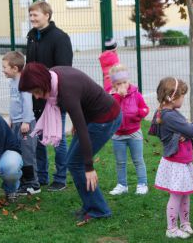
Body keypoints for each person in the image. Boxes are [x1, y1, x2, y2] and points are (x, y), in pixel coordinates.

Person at [19, 63, 121, 223]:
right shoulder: (53, 76)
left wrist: (89, 167)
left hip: (105, 119)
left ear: (44, 83)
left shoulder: (66, 91)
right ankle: (90, 206)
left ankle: (99, 210)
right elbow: (81, 103)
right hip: (93, 117)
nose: (37, 97)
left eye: (37, 92)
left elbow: (83, 131)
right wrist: (77, 121)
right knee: (73, 162)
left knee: (77, 163)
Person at [25, 0, 73, 192]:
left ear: (47, 15)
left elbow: (63, 69)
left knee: (57, 137)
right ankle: (42, 176)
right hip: (35, 95)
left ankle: (60, 178)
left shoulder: (60, 38)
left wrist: (52, 93)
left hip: (53, 97)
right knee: (38, 135)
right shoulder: (31, 36)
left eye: (35, 15)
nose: (32, 19)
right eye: (30, 15)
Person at [150, 77, 193, 239]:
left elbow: (180, 130)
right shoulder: (170, 116)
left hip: (181, 161)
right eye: (182, 95)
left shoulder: (166, 113)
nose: (183, 98)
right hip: (177, 162)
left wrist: (181, 131)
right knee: (177, 195)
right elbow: (192, 130)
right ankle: (171, 228)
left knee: (184, 193)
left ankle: (185, 223)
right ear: (172, 97)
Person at [106, 64, 150, 196]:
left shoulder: (136, 94)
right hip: (118, 135)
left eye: (124, 82)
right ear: (114, 84)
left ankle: (142, 184)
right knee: (120, 162)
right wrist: (119, 96)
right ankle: (122, 185)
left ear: (128, 81)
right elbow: (111, 110)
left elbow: (145, 108)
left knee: (138, 159)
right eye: (119, 83)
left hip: (134, 133)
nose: (123, 85)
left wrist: (139, 114)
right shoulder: (112, 96)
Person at [2, 51, 39, 196]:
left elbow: (27, 103)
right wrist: (11, 119)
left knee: (27, 154)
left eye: (5, 67)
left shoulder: (24, 83)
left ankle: (33, 184)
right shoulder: (12, 82)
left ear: (15, 68)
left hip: (25, 125)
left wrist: (26, 121)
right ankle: (23, 182)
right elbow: (14, 104)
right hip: (16, 123)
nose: (3, 70)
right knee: (18, 152)